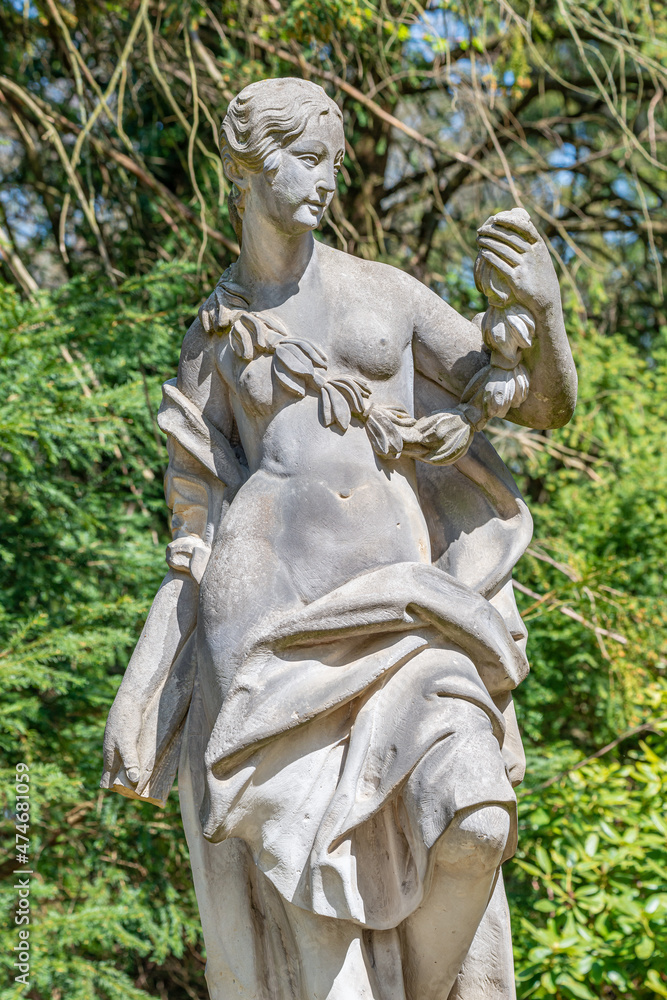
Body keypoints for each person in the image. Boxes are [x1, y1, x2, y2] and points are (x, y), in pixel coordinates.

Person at [101, 77, 576, 1000]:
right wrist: (144, 682)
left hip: (408, 613)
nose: (327, 180)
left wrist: (544, 313)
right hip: (265, 629)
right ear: (249, 168)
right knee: (315, 905)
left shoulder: (384, 296)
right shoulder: (214, 341)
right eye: (308, 160)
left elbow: (541, 406)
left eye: (333, 160)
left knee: (476, 820)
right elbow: (192, 539)